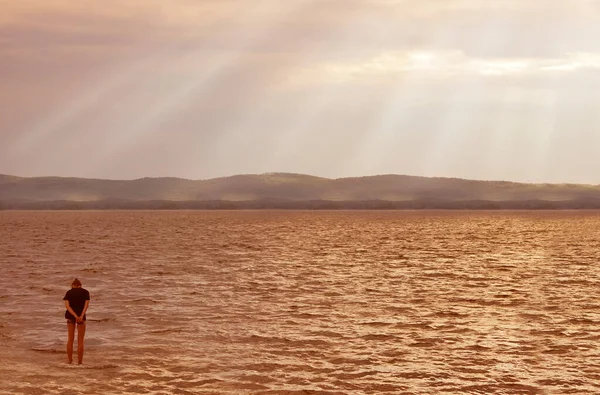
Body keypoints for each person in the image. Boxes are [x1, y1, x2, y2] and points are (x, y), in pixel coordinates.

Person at [63, 278, 90, 364]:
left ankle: (70, 360)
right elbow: (86, 306)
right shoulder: (85, 292)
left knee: (70, 339)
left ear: (72, 285)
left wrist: (75, 316)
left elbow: (67, 306)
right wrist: (80, 316)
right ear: (80, 285)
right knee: (80, 340)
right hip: (81, 317)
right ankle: (80, 362)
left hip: (70, 316)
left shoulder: (69, 292)